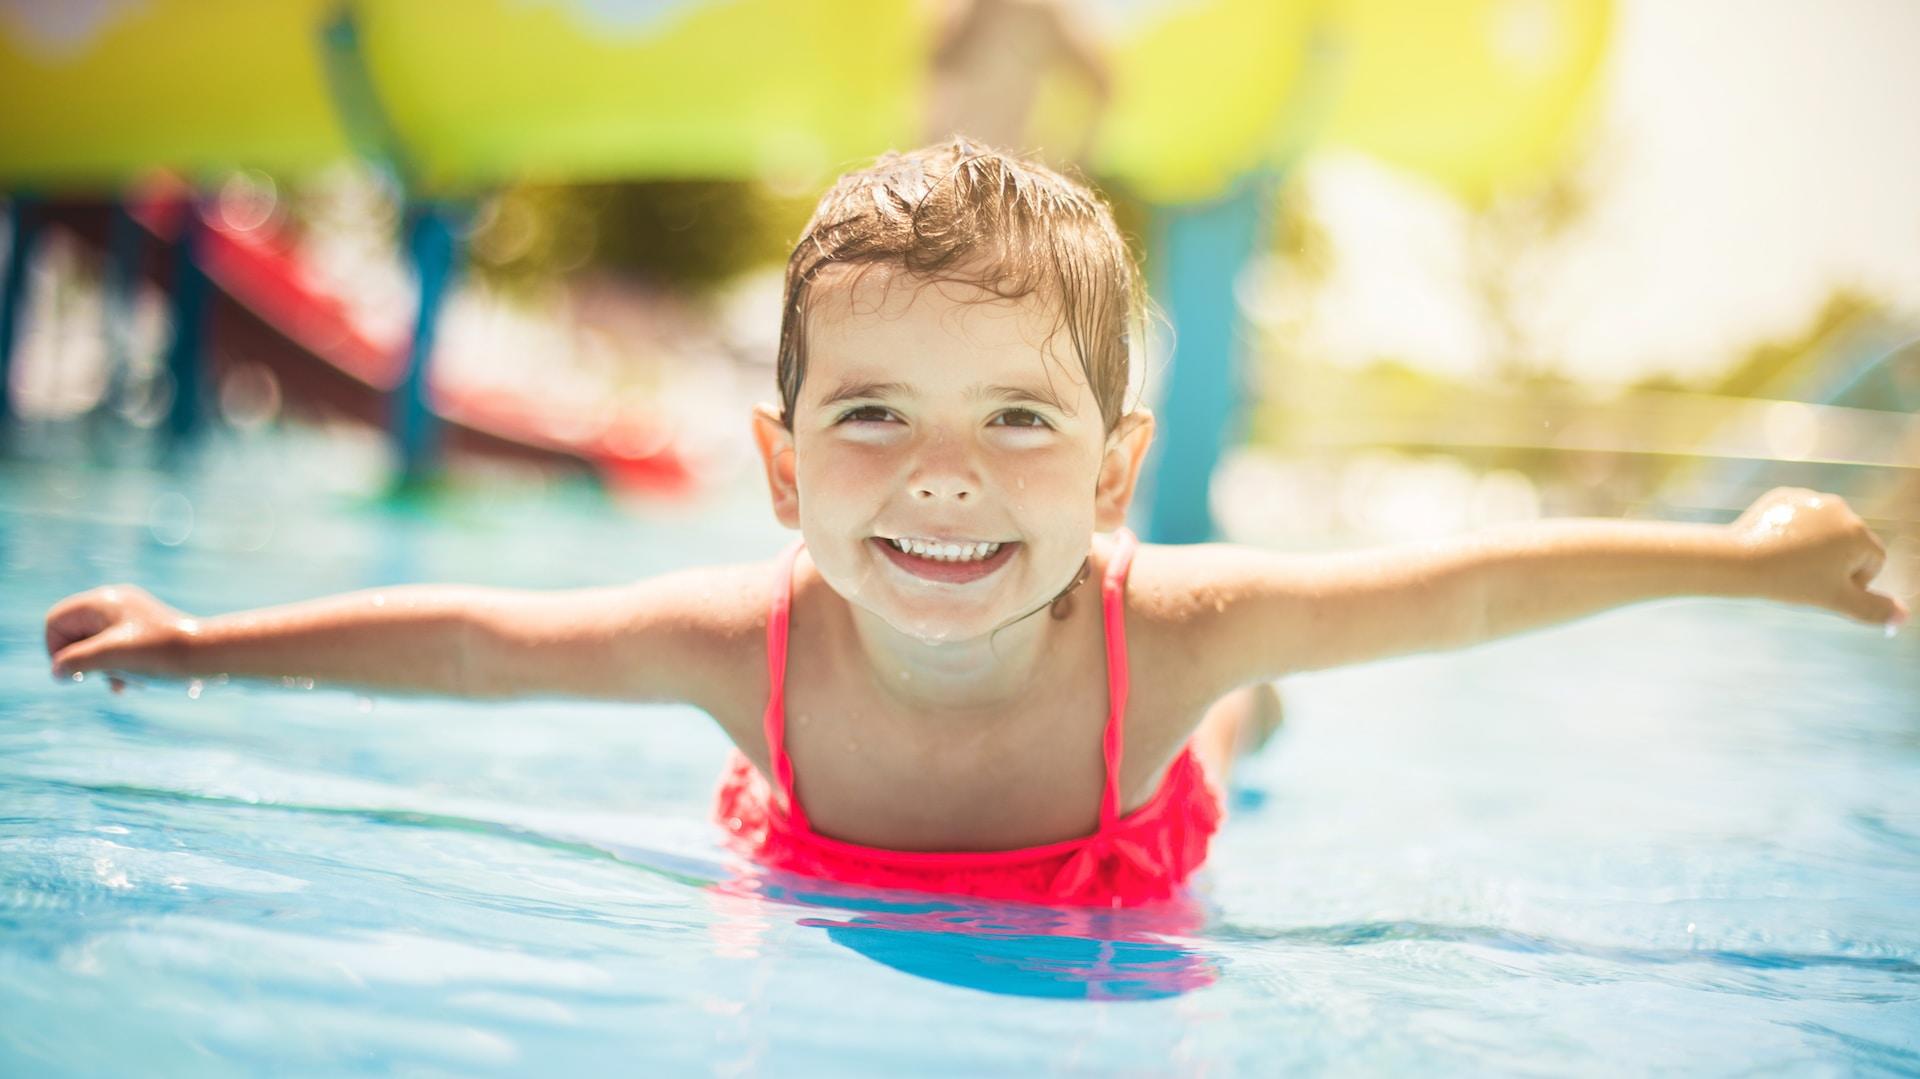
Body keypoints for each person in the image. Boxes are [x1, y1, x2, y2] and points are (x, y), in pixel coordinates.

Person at [43, 139, 1909, 909]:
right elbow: (467, 644)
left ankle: (1246, 724)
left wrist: (1739, 566)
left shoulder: (1162, 619)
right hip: (851, 838)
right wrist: (211, 645)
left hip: (1134, 790)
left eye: (1018, 421)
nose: (944, 477)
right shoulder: (738, 643)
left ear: (1111, 475)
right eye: (874, 418)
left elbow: (1464, 589)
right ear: (783, 472)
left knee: (1249, 684)